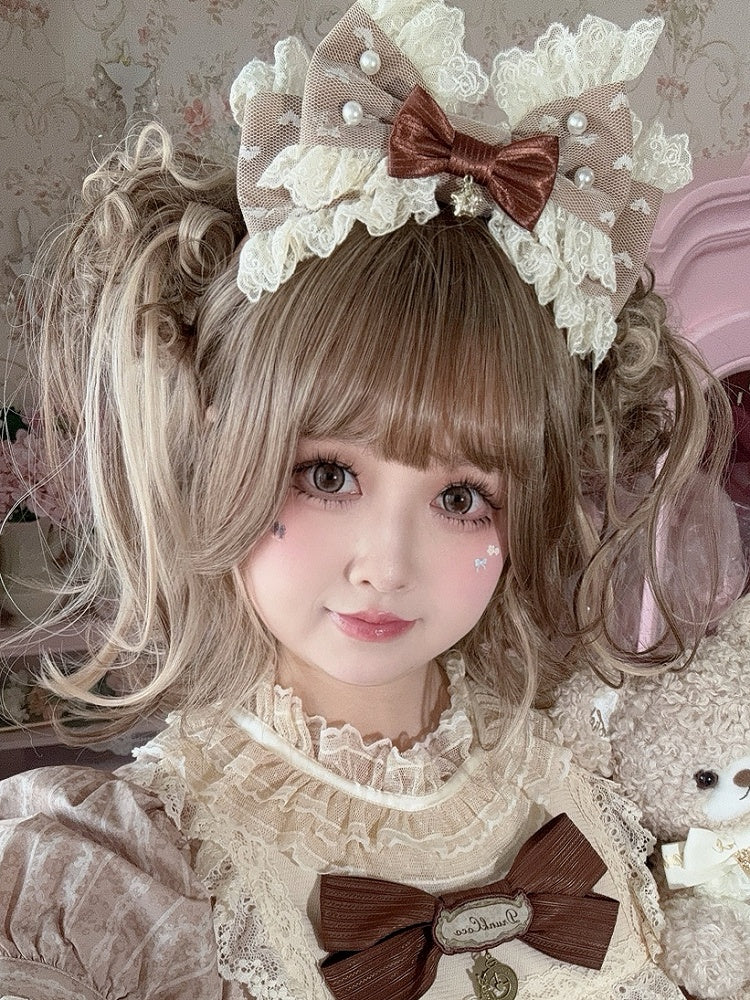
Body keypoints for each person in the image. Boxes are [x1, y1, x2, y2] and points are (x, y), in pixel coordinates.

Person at [0, 3, 745, 998]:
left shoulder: (589, 772)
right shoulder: (129, 875)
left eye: (463, 497)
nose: (385, 564)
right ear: (221, 443)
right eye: (328, 476)